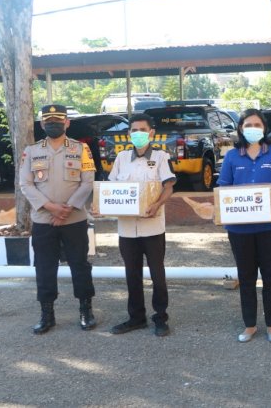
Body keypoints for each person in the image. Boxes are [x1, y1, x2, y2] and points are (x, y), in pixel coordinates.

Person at [20, 104, 97, 334]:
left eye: (58, 120)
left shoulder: (81, 149)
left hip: (74, 220)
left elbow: (87, 181)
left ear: (67, 123)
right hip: (44, 220)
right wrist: (52, 208)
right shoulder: (31, 151)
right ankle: (47, 314)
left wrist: (68, 209)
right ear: (42, 124)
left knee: (80, 265)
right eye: (48, 121)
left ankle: (86, 310)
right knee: (44, 267)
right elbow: (26, 183)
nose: (53, 124)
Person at [217, 109, 271, 343]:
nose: (252, 128)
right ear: (240, 128)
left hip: (270, 227)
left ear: (264, 128)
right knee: (246, 277)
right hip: (239, 230)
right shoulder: (231, 156)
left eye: (257, 124)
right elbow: (223, 189)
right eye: (248, 124)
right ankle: (249, 325)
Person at [106, 114, 177, 337]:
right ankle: (136, 317)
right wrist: (102, 206)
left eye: (142, 129)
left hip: (152, 226)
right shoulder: (121, 158)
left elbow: (168, 187)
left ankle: (160, 318)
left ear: (151, 133)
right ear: (129, 134)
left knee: (157, 274)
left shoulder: (160, 157)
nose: (137, 133)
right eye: (133, 130)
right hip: (127, 228)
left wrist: (156, 205)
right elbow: (110, 190)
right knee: (132, 274)